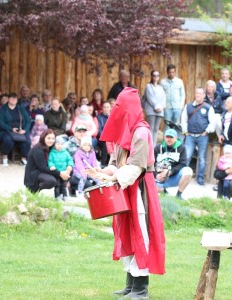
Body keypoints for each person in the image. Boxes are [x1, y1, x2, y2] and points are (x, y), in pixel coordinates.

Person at [85, 87, 165, 299]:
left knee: (140, 233)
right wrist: (103, 172)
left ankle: (141, 289)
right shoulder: (124, 132)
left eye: (120, 105)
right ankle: (131, 284)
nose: (116, 109)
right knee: (126, 233)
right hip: (124, 188)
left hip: (139, 190)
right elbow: (115, 164)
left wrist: (113, 178)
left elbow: (136, 168)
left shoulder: (141, 132)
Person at [181, 87, 215, 186]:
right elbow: (183, 120)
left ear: (204, 95)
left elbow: (212, 123)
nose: (198, 95)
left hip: (202, 136)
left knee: (202, 158)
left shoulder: (208, 107)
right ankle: (182, 176)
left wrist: (206, 131)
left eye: (200, 93)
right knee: (187, 156)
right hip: (190, 136)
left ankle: (200, 178)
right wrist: (185, 131)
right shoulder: (188, 106)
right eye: (197, 93)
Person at [24, 129, 71, 193]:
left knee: (68, 171)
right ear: (43, 138)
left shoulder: (50, 147)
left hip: (43, 170)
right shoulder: (38, 149)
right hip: (34, 173)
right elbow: (43, 168)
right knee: (51, 181)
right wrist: (60, 173)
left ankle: (61, 193)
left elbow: (63, 157)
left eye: (53, 138)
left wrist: (68, 166)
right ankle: (34, 190)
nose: (51, 140)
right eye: (48, 138)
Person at [154, 128, 193, 200]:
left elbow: (183, 163)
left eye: (171, 137)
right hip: (159, 178)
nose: (169, 139)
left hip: (174, 176)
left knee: (188, 171)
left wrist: (170, 172)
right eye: (167, 137)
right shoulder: (157, 148)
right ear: (164, 137)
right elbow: (151, 164)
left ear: (176, 138)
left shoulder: (181, 148)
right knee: (148, 185)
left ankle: (179, 195)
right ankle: (164, 191)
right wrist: (156, 175)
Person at [0, 93, 31, 166]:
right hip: (7, 130)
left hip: (21, 130)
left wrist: (25, 130)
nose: (13, 100)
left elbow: (28, 121)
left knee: (27, 141)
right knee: (8, 140)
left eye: (15, 98)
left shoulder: (21, 108)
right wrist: (11, 129)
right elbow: (0, 122)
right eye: (11, 98)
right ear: (8, 99)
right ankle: (5, 158)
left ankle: (23, 159)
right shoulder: (3, 109)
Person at [143, 70, 166, 144]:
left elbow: (164, 98)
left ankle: (154, 145)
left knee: (156, 129)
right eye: (154, 75)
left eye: (157, 75)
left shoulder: (161, 87)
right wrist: (156, 107)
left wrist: (162, 107)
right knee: (151, 128)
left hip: (160, 111)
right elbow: (150, 98)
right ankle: (149, 145)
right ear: (152, 76)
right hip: (151, 110)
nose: (156, 77)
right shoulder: (149, 86)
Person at [48, 136, 73, 200]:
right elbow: (50, 161)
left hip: (65, 171)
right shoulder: (52, 153)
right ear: (55, 145)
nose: (60, 146)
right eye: (58, 144)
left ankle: (64, 195)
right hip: (57, 172)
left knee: (64, 184)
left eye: (61, 144)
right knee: (57, 184)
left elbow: (70, 159)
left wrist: (69, 165)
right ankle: (57, 196)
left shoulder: (65, 152)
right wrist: (51, 166)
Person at [96, 101, 111, 167]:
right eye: (104, 107)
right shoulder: (99, 117)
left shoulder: (113, 117)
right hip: (102, 138)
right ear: (102, 108)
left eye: (107, 107)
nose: (106, 109)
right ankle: (103, 163)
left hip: (112, 138)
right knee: (105, 144)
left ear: (110, 108)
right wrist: (106, 137)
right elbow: (99, 130)